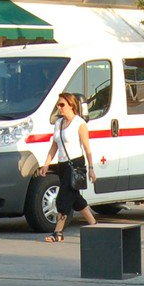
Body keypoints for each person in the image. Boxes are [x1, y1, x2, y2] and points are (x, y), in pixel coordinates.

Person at [43, 91, 96, 243]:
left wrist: (91, 168)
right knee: (75, 198)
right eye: (58, 105)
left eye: (62, 105)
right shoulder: (59, 124)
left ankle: (58, 232)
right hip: (62, 165)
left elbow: (87, 148)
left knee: (63, 198)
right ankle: (94, 224)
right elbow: (54, 145)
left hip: (76, 164)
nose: (59, 108)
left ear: (71, 105)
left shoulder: (79, 123)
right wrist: (46, 163)